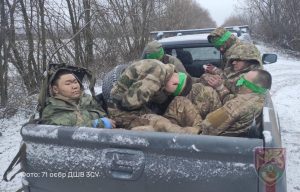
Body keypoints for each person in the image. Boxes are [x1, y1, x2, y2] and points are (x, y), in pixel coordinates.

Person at [109, 59, 193, 128]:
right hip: (118, 108)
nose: (167, 93)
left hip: (122, 101)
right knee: (159, 125)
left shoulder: (162, 68)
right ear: (175, 84)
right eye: (171, 93)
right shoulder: (157, 78)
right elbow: (130, 102)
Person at [41, 69, 115, 128]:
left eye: (75, 82)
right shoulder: (52, 111)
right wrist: (96, 124)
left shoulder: (89, 100)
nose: (74, 86)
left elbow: (106, 117)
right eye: (68, 83)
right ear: (55, 89)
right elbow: (65, 134)